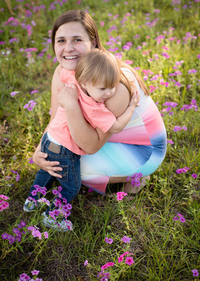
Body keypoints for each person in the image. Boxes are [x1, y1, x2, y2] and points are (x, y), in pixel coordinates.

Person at [32, 10, 167, 205]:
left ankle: (137, 176)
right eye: (61, 41)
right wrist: (40, 151)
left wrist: (71, 106)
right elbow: (55, 121)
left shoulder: (113, 87)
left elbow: (91, 145)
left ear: (93, 42)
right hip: (108, 139)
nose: (68, 48)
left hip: (142, 150)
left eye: (77, 40)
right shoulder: (63, 71)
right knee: (57, 157)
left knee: (72, 167)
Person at [23, 48, 140, 231]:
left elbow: (63, 71)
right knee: (71, 186)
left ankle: (32, 200)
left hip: (49, 139)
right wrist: (131, 105)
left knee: (46, 171)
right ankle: (53, 215)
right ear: (85, 83)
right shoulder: (96, 108)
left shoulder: (73, 81)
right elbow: (116, 127)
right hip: (64, 151)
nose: (109, 93)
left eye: (113, 86)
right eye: (103, 88)